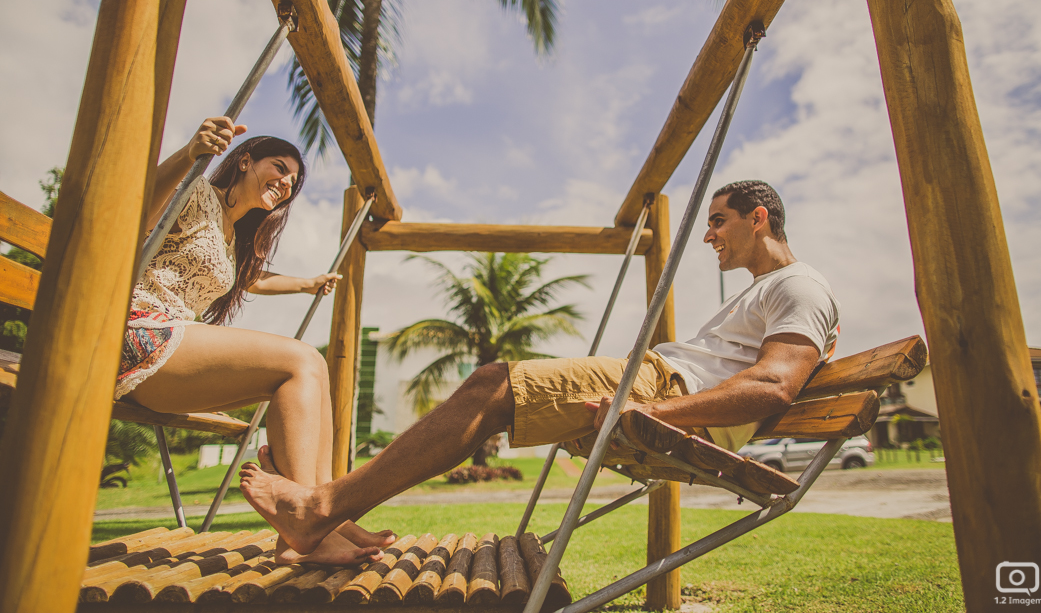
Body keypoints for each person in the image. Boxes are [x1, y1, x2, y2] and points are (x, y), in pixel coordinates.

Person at [239, 180, 840, 558]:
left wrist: (651, 411)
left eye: (718, 220)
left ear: (758, 217)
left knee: (493, 384)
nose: (709, 235)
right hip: (657, 381)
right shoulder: (765, 291)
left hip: (663, 390)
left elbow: (773, 384)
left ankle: (319, 510)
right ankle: (334, 520)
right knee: (492, 387)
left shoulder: (799, 285)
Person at [118, 116, 394, 565]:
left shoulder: (233, 236)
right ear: (245, 161)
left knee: (313, 368)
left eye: (293, 181)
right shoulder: (196, 194)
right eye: (280, 168)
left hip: (173, 345)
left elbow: (252, 281)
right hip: (139, 334)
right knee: (300, 360)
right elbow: (139, 211)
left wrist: (307, 283)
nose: (286, 182)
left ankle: (327, 515)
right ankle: (306, 526)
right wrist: (190, 156)